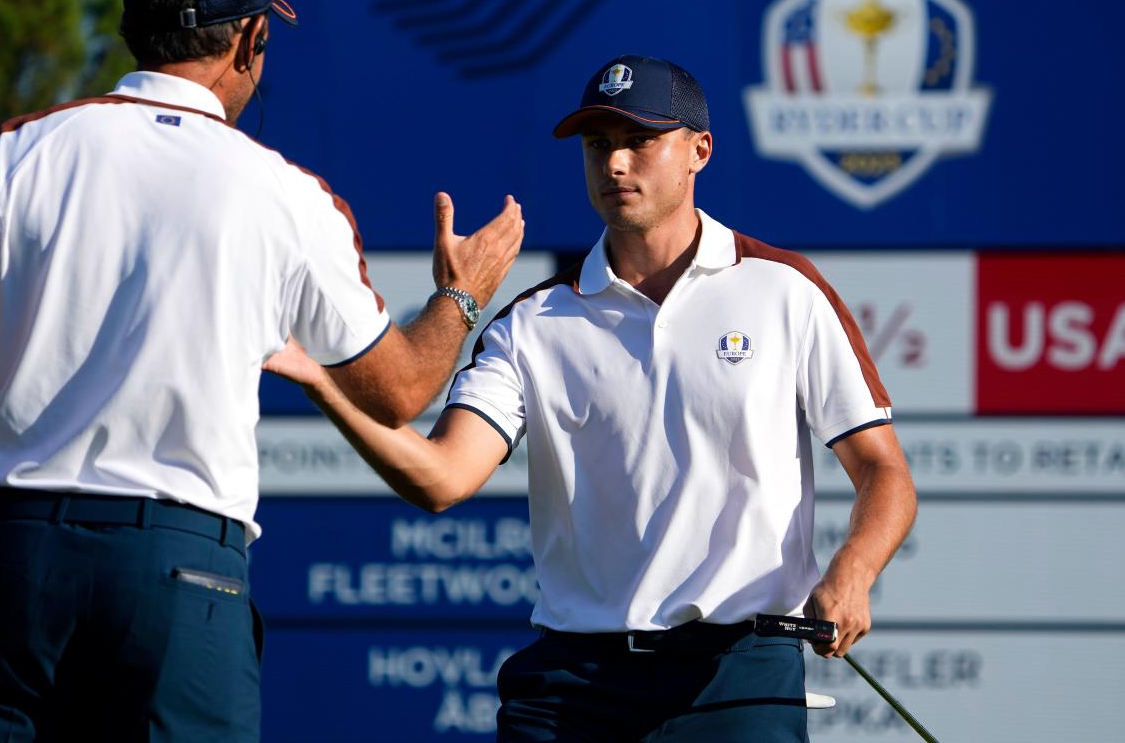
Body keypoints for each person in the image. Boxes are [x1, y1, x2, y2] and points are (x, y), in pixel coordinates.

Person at [265, 54, 917, 742]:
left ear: (700, 151)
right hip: (574, 686)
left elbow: (885, 472)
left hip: (738, 677)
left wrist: (854, 568)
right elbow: (442, 478)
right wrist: (322, 379)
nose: (614, 164)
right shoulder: (532, 323)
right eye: (598, 144)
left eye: (639, 141)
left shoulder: (785, 289)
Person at [0, 0, 523, 740]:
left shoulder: (17, 150)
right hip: (180, 566)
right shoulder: (287, 196)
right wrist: (461, 295)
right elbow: (402, 390)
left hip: (12, 557)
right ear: (249, 41)